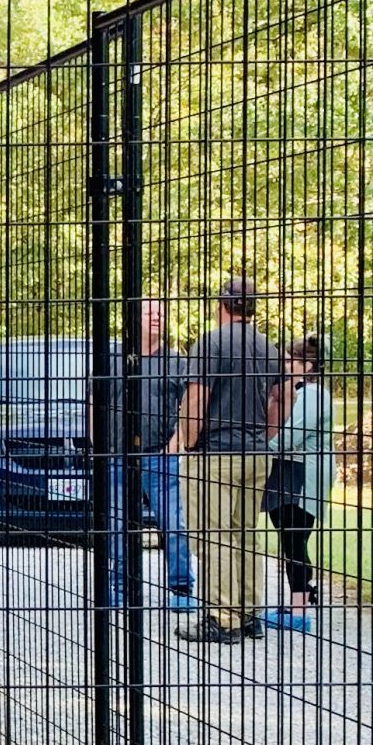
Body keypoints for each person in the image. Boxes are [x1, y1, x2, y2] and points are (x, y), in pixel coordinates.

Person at [168, 275, 285, 644]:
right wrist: (263, 436)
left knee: (212, 534)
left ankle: (221, 617)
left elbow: (196, 399)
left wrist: (189, 442)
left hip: (214, 453)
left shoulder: (209, 344)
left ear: (221, 304)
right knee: (246, 532)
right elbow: (281, 400)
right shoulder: (269, 347)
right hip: (256, 453)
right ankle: (250, 613)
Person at [105, 299, 197, 610]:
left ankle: (182, 588)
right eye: (149, 312)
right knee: (118, 525)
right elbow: (95, 402)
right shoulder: (113, 359)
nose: (156, 317)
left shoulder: (175, 361)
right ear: (134, 317)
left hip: (161, 455)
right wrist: (98, 445)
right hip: (117, 457)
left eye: (160, 313)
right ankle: (119, 588)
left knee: (173, 523)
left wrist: (178, 440)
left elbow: (190, 405)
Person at [262, 335, 332, 635]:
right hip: (291, 470)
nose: (285, 364)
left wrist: (259, 449)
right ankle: (300, 597)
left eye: (291, 360)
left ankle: (299, 610)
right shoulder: (303, 392)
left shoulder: (314, 395)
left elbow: (294, 435)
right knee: (293, 538)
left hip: (303, 474)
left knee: (294, 538)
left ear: (308, 365)